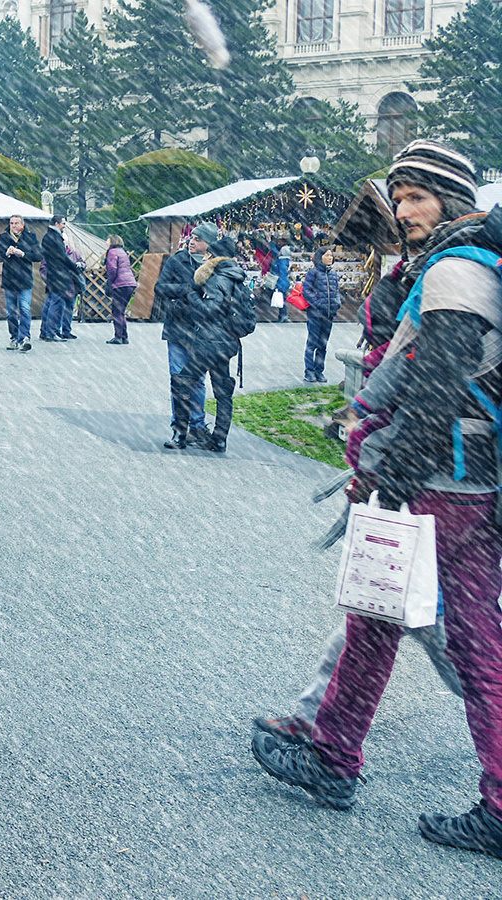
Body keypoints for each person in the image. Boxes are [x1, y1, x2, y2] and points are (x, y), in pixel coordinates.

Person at [251, 140, 502, 861]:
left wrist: (395, 473)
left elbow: (439, 382)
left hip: (435, 482)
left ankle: (332, 758)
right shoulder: (477, 267)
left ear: (452, 201)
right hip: (474, 484)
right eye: (399, 197)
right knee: (477, 643)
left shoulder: (456, 270)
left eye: (418, 196)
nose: (404, 210)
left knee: (376, 623)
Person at [166, 230, 244, 452]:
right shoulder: (236, 278)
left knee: (181, 383)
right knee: (222, 389)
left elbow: (210, 311)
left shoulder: (217, 279)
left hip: (210, 343)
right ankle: (219, 439)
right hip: (227, 343)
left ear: (215, 258)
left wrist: (192, 296)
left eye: (209, 255)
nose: (206, 258)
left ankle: (180, 434)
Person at [156, 224, 212, 447]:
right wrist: (187, 289)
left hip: (203, 331)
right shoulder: (177, 260)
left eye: (198, 239)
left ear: (209, 243)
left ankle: (198, 426)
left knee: (198, 381)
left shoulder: (215, 265)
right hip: (178, 328)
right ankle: (179, 429)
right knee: (179, 379)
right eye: (191, 237)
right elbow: (160, 288)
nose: (192, 241)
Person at [0, 215, 43, 351]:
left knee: (25, 309)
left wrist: (24, 254)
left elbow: (39, 255)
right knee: (11, 313)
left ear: (23, 224)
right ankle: (14, 337)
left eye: (16, 223)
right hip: (9, 280)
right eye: (11, 223)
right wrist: (6, 254)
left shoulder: (30, 237)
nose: (13, 226)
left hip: (25, 280)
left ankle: (25, 338)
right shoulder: (4, 237)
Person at [302, 247, 342, 382]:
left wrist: (337, 303)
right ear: (320, 257)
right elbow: (306, 291)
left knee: (323, 345)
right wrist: (317, 303)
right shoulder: (313, 273)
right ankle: (309, 372)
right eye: (327, 255)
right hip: (315, 315)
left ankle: (319, 371)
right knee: (312, 344)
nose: (330, 257)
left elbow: (336, 291)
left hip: (329, 315)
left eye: (331, 255)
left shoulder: (334, 274)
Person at [39, 216, 82, 342]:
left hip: (53, 274)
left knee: (50, 302)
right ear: (56, 223)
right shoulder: (55, 237)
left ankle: (45, 332)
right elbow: (62, 257)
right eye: (63, 223)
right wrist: (75, 267)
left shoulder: (48, 236)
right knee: (56, 304)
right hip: (58, 275)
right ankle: (51, 333)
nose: (64, 225)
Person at [104, 235, 137, 345]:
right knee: (121, 311)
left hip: (120, 284)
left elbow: (112, 269)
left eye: (107, 240)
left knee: (117, 311)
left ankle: (118, 337)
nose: (106, 242)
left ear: (112, 242)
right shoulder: (123, 252)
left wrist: (110, 282)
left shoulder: (112, 252)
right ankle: (124, 336)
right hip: (130, 283)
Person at [272, 240, 293, 323]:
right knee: (282, 299)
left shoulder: (281, 262)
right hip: (283, 282)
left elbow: (281, 274)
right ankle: (282, 316)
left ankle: (284, 315)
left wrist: (279, 284)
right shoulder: (284, 261)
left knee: (281, 299)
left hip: (281, 283)